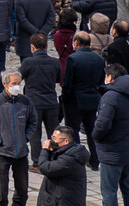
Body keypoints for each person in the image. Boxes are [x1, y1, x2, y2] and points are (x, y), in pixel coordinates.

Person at [0, 71, 37, 206]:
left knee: (22, 188)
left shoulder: (26, 101)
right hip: (2, 152)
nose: (17, 86)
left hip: (21, 152)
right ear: (5, 85)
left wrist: (26, 138)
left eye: (19, 83)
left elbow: (33, 121)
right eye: (14, 84)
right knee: (1, 189)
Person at [20, 34, 62, 166]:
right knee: (54, 133)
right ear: (47, 46)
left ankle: (37, 161)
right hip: (51, 102)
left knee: (34, 133)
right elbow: (57, 79)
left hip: (34, 103)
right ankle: (55, 157)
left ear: (32, 47)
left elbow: (18, 77)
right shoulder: (55, 62)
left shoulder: (27, 62)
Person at [64, 32, 105, 169]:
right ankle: (95, 160)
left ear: (76, 42)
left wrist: (65, 99)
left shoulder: (73, 59)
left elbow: (68, 83)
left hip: (75, 100)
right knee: (91, 130)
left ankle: (78, 158)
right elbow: (100, 81)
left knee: (73, 130)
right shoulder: (98, 59)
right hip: (92, 99)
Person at [95, 62, 129, 206]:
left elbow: (102, 125)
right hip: (126, 150)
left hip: (112, 152)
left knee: (109, 192)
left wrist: (95, 137)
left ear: (109, 77)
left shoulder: (111, 97)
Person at [37, 126, 89, 206]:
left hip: (65, 200)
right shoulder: (67, 150)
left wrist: (45, 150)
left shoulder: (68, 160)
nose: (51, 140)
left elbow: (45, 167)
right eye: (52, 137)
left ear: (66, 141)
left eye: (55, 138)